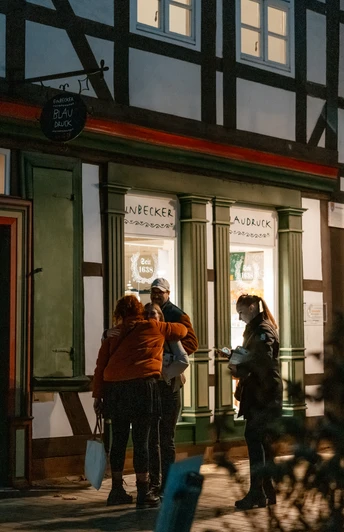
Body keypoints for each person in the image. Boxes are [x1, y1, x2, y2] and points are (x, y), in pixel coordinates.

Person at [92, 295, 187, 509]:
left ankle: (116, 490)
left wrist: (98, 395)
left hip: (115, 390)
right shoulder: (154, 327)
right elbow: (182, 331)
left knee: (118, 439)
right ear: (139, 311)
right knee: (142, 440)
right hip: (143, 388)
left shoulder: (112, 335)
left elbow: (100, 367)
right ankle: (144, 492)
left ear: (119, 313)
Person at [227, 294, 282, 511]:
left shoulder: (263, 330)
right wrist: (235, 357)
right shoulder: (256, 328)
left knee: (255, 438)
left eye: (241, 312)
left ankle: (257, 492)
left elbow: (264, 361)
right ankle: (266, 489)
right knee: (262, 441)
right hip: (260, 393)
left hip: (264, 394)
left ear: (251, 308)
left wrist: (241, 362)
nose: (239, 317)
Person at [148, 278, 198, 495]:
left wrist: (168, 355)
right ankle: (155, 481)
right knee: (154, 436)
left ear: (168, 292)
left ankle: (166, 481)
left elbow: (192, 343)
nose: (156, 294)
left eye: (159, 291)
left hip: (169, 381)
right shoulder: (148, 312)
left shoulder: (177, 315)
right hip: (151, 382)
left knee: (165, 436)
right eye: (153, 291)